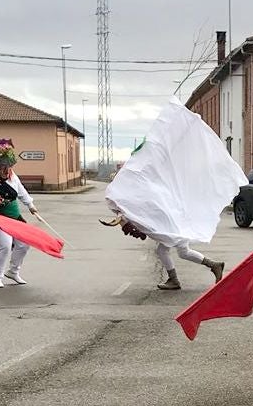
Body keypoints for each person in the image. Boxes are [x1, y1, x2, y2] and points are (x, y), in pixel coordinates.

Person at [102, 97, 245, 291]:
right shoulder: (150, 188)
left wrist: (129, 219)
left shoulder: (150, 189)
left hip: (175, 221)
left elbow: (144, 209)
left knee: (173, 251)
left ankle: (192, 273)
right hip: (176, 220)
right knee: (174, 250)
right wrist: (127, 218)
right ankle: (208, 267)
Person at [0, 139, 39, 289]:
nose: (6, 169)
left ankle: (13, 271)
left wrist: (30, 205)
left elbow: (21, 191)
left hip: (15, 217)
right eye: (3, 166)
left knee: (24, 244)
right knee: (5, 246)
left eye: (8, 165)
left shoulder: (13, 176)